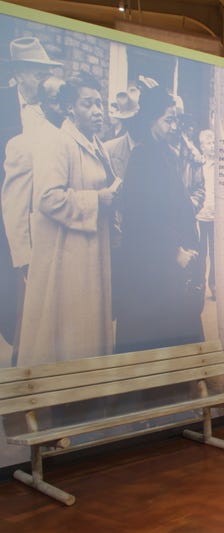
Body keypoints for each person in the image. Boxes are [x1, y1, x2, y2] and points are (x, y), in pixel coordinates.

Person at [15, 72, 121, 367]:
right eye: (88, 104)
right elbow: (48, 197)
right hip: (67, 259)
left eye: (99, 104)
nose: (98, 111)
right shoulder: (59, 142)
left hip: (92, 251)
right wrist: (98, 199)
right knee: (67, 330)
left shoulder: (96, 143)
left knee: (88, 327)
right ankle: (62, 401)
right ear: (70, 108)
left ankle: (88, 397)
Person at [114, 82, 204, 353]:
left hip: (166, 268)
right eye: (168, 120)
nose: (174, 126)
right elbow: (142, 216)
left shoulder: (164, 153)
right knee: (152, 336)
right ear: (153, 120)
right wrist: (173, 251)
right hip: (152, 271)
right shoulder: (143, 157)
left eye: (176, 120)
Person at [0, 37, 61, 357]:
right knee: (14, 300)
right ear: (19, 72)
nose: (41, 78)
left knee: (33, 311)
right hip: (9, 215)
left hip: (39, 219)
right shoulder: (3, 104)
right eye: (36, 72)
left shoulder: (46, 111)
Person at [196, 128, 215, 300]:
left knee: (215, 253)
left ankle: (214, 286)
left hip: (216, 216)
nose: (212, 146)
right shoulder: (198, 165)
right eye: (208, 143)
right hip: (201, 215)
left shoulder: (220, 166)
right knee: (201, 252)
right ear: (202, 147)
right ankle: (199, 284)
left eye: (213, 142)